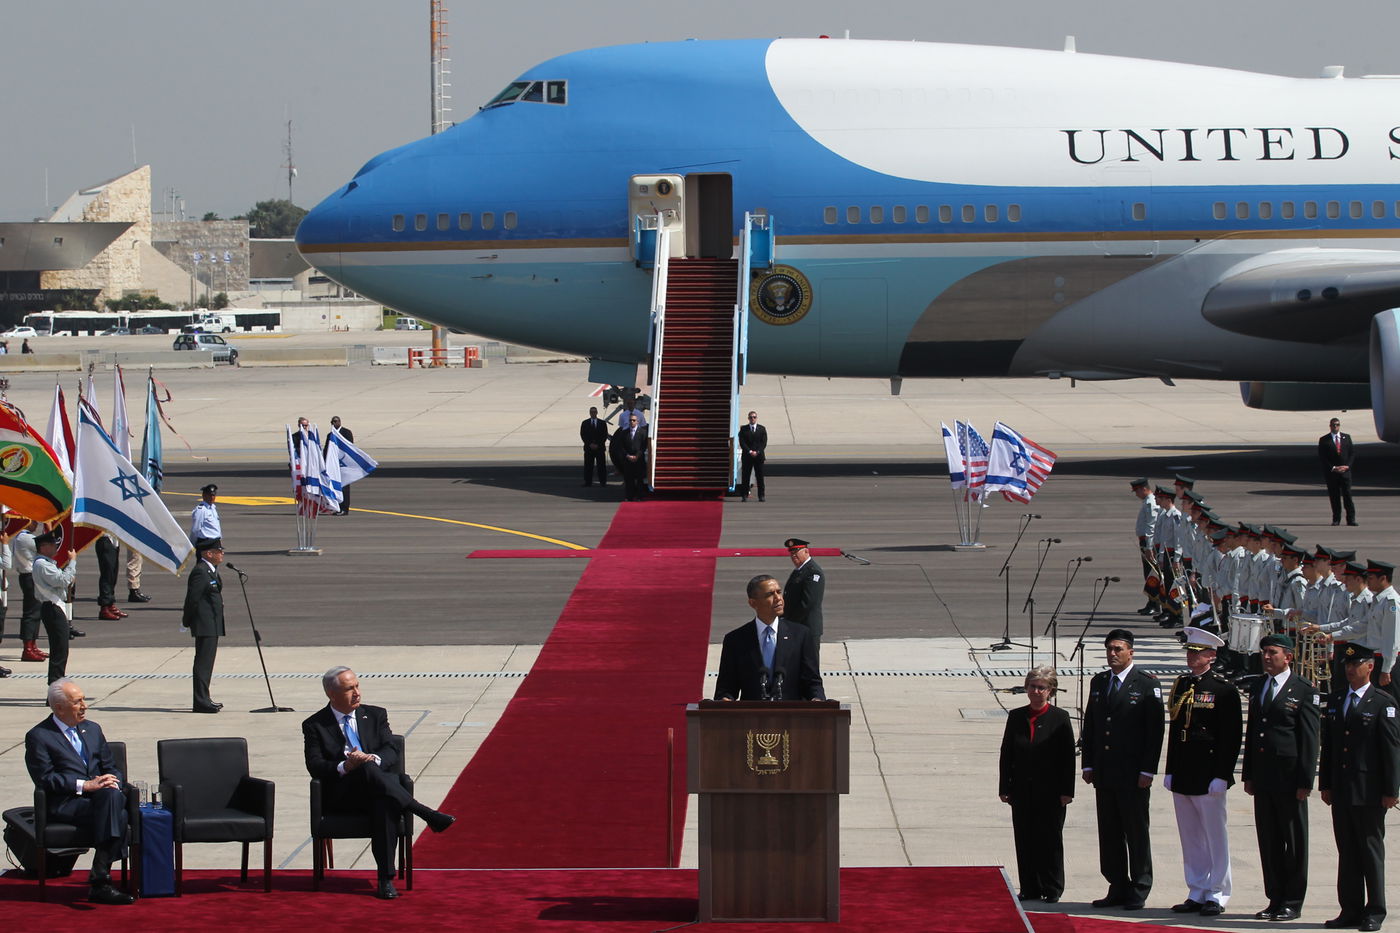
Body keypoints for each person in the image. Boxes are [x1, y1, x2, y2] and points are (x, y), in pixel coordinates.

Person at [303, 666, 457, 899]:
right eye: (349, 689)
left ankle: (385, 881)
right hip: (344, 795)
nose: (357, 693)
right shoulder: (315, 724)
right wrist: (346, 766)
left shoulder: (375, 715)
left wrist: (370, 759)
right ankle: (422, 811)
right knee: (371, 776)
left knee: (383, 800)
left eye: (357, 686)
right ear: (331, 694)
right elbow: (314, 765)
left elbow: (390, 750)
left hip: (378, 791)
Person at [24, 679, 134, 905]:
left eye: (84, 700)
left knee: (112, 795)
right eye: (77, 702)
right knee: (120, 815)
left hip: (101, 799)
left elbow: (110, 766)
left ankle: (100, 877)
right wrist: (84, 785)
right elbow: (45, 778)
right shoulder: (39, 736)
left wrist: (112, 780)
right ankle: (100, 880)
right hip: (67, 803)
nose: (84, 706)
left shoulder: (92, 729)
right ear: (59, 707)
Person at [1080, 628, 1164, 911]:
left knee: (1136, 831)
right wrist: (1088, 762)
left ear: (1131, 652)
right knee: (1110, 831)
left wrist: (1148, 770)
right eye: (1109, 649)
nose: (1112, 654)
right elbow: (1091, 724)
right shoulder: (1100, 682)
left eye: (1118, 649)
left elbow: (1154, 732)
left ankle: (1139, 886)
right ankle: (1117, 884)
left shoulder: (1146, 684)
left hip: (1132, 773)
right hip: (1105, 770)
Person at [1318, 643, 1400, 933]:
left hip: (1369, 790)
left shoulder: (1382, 702)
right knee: (1348, 851)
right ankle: (1350, 909)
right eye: (1347, 665)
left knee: (1369, 850)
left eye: (1357, 664)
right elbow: (1328, 747)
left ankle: (1375, 910)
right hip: (1341, 789)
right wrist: (1325, 783)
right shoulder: (1337, 699)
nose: (1351, 669)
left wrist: (1391, 790)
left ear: (1370, 667)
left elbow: (1390, 750)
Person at [1165, 626, 1242, 917]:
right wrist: (1170, 769)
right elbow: (1176, 731)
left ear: (1211, 656)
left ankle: (1219, 892)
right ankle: (1197, 889)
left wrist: (1222, 774)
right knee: (1191, 835)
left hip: (1208, 771)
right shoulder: (1183, 685)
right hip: (1184, 769)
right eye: (1189, 651)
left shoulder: (1223, 689)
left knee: (1214, 836)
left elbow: (1231, 737)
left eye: (1197, 652)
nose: (1191, 656)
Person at [1242, 632, 1321, 922]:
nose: (1266, 657)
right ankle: (1275, 897)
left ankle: (1292, 900)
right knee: (1269, 839)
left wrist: (1305, 781)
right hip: (1264, 775)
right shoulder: (1259, 685)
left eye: (1272, 652)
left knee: (1293, 840)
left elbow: (1310, 739)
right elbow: (1252, 731)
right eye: (1264, 652)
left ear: (1288, 657)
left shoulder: (1303, 689)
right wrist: (1249, 773)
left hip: (1289, 777)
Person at [998, 665, 1075, 904]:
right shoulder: (1016, 716)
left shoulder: (1060, 718)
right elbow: (1007, 753)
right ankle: (1030, 887)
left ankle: (1052, 887)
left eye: (1041, 688)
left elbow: (1067, 758)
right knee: (1025, 838)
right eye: (1032, 686)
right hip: (1022, 789)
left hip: (1050, 791)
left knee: (1049, 840)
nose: (1036, 691)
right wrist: (1005, 787)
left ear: (1050, 691)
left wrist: (1066, 791)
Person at [714, 574, 824, 701]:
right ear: (753, 603)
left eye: (779, 592)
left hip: (792, 717)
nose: (778, 598)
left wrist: (817, 699)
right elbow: (726, 687)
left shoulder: (801, 635)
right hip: (751, 718)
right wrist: (724, 700)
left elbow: (812, 681)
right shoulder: (735, 640)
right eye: (770, 595)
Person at [182, 537, 225, 714]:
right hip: (204, 624)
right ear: (209, 553)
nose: (222, 554)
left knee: (207, 663)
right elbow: (193, 599)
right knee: (203, 663)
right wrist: (187, 621)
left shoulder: (211, 570)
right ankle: (200, 701)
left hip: (212, 624)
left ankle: (204, 698)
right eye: (219, 551)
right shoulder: (200, 572)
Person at [32, 528, 77, 684]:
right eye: (52, 545)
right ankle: (55, 686)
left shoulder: (46, 564)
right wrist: (72, 562)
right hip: (52, 608)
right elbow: (63, 581)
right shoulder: (43, 565)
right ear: (43, 547)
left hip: (54, 607)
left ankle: (56, 684)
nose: (56, 547)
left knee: (61, 650)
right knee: (59, 650)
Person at [782, 537, 826, 646]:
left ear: (806, 551)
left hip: (807, 626)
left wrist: (790, 621)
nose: (793, 556)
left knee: (809, 661)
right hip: (798, 626)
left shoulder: (813, 572)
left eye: (796, 552)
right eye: (791, 553)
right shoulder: (800, 570)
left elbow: (808, 603)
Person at [1318, 417, 1357, 526]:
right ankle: (1336, 519)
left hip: (1345, 473)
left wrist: (1347, 466)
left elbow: (1352, 453)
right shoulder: (1324, 440)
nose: (1335, 427)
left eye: (1337, 425)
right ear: (1330, 426)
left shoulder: (1346, 438)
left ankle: (1351, 519)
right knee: (1334, 497)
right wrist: (1333, 468)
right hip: (1332, 474)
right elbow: (1323, 457)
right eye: (1333, 425)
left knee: (1348, 496)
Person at [1131, 478, 1161, 615]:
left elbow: (1151, 527)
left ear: (1144, 489)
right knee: (1148, 573)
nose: (1136, 494)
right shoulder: (1147, 502)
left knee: (1151, 573)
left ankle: (1154, 602)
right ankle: (1152, 601)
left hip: (1149, 542)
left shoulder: (1151, 503)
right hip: (1145, 541)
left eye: (1137, 491)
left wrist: (1149, 547)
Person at [324, 416, 354, 514]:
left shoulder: (346, 432)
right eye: (332, 422)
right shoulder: (330, 435)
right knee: (335, 486)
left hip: (343, 464)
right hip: (333, 465)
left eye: (336, 421)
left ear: (340, 422)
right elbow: (326, 449)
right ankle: (338, 507)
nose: (334, 423)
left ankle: (345, 508)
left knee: (345, 486)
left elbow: (350, 447)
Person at [94, 533, 127, 621]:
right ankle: (104, 607)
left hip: (114, 539)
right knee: (107, 575)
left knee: (113, 574)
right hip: (105, 538)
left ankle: (110, 603)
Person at [737, 410, 767, 502]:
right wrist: (750, 451)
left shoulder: (762, 429)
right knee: (745, 476)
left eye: (754, 417)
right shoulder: (744, 429)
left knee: (760, 477)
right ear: (748, 418)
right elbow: (742, 442)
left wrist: (757, 452)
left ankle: (761, 495)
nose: (752, 419)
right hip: (747, 456)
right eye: (750, 417)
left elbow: (764, 443)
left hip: (758, 456)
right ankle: (744, 495)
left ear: (756, 418)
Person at [619, 411, 648, 501]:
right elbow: (621, 446)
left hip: (638, 459)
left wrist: (637, 456)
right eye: (630, 420)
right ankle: (629, 496)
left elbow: (644, 446)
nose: (632, 422)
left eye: (634, 420)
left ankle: (639, 496)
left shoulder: (643, 432)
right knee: (629, 479)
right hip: (628, 460)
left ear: (637, 421)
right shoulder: (624, 433)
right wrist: (628, 456)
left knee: (639, 479)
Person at [579, 406, 609, 487]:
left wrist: (598, 444)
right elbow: (583, 435)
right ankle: (588, 482)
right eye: (591, 412)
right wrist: (590, 444)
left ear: (597, 413)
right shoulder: (585, 423)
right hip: (589, 448)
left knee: (601, 466)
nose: (593, 413)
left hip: (600, 448)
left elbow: (604, 435)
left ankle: (603, 482)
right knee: (588, 466)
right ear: (590, 413)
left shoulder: (602, 423)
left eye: (594, 412)